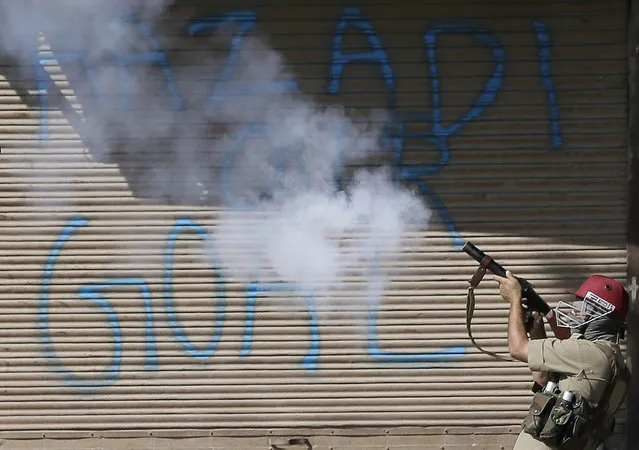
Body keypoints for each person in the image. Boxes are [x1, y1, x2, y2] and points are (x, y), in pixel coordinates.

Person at [494, 271, 630, 450]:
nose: (574, 312)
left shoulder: (588, 353)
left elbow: (517, 348)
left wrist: (514, 298)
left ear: (600, 313)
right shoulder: (616, 363)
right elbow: (544, 381)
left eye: (582, 307)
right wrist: (537, 335)